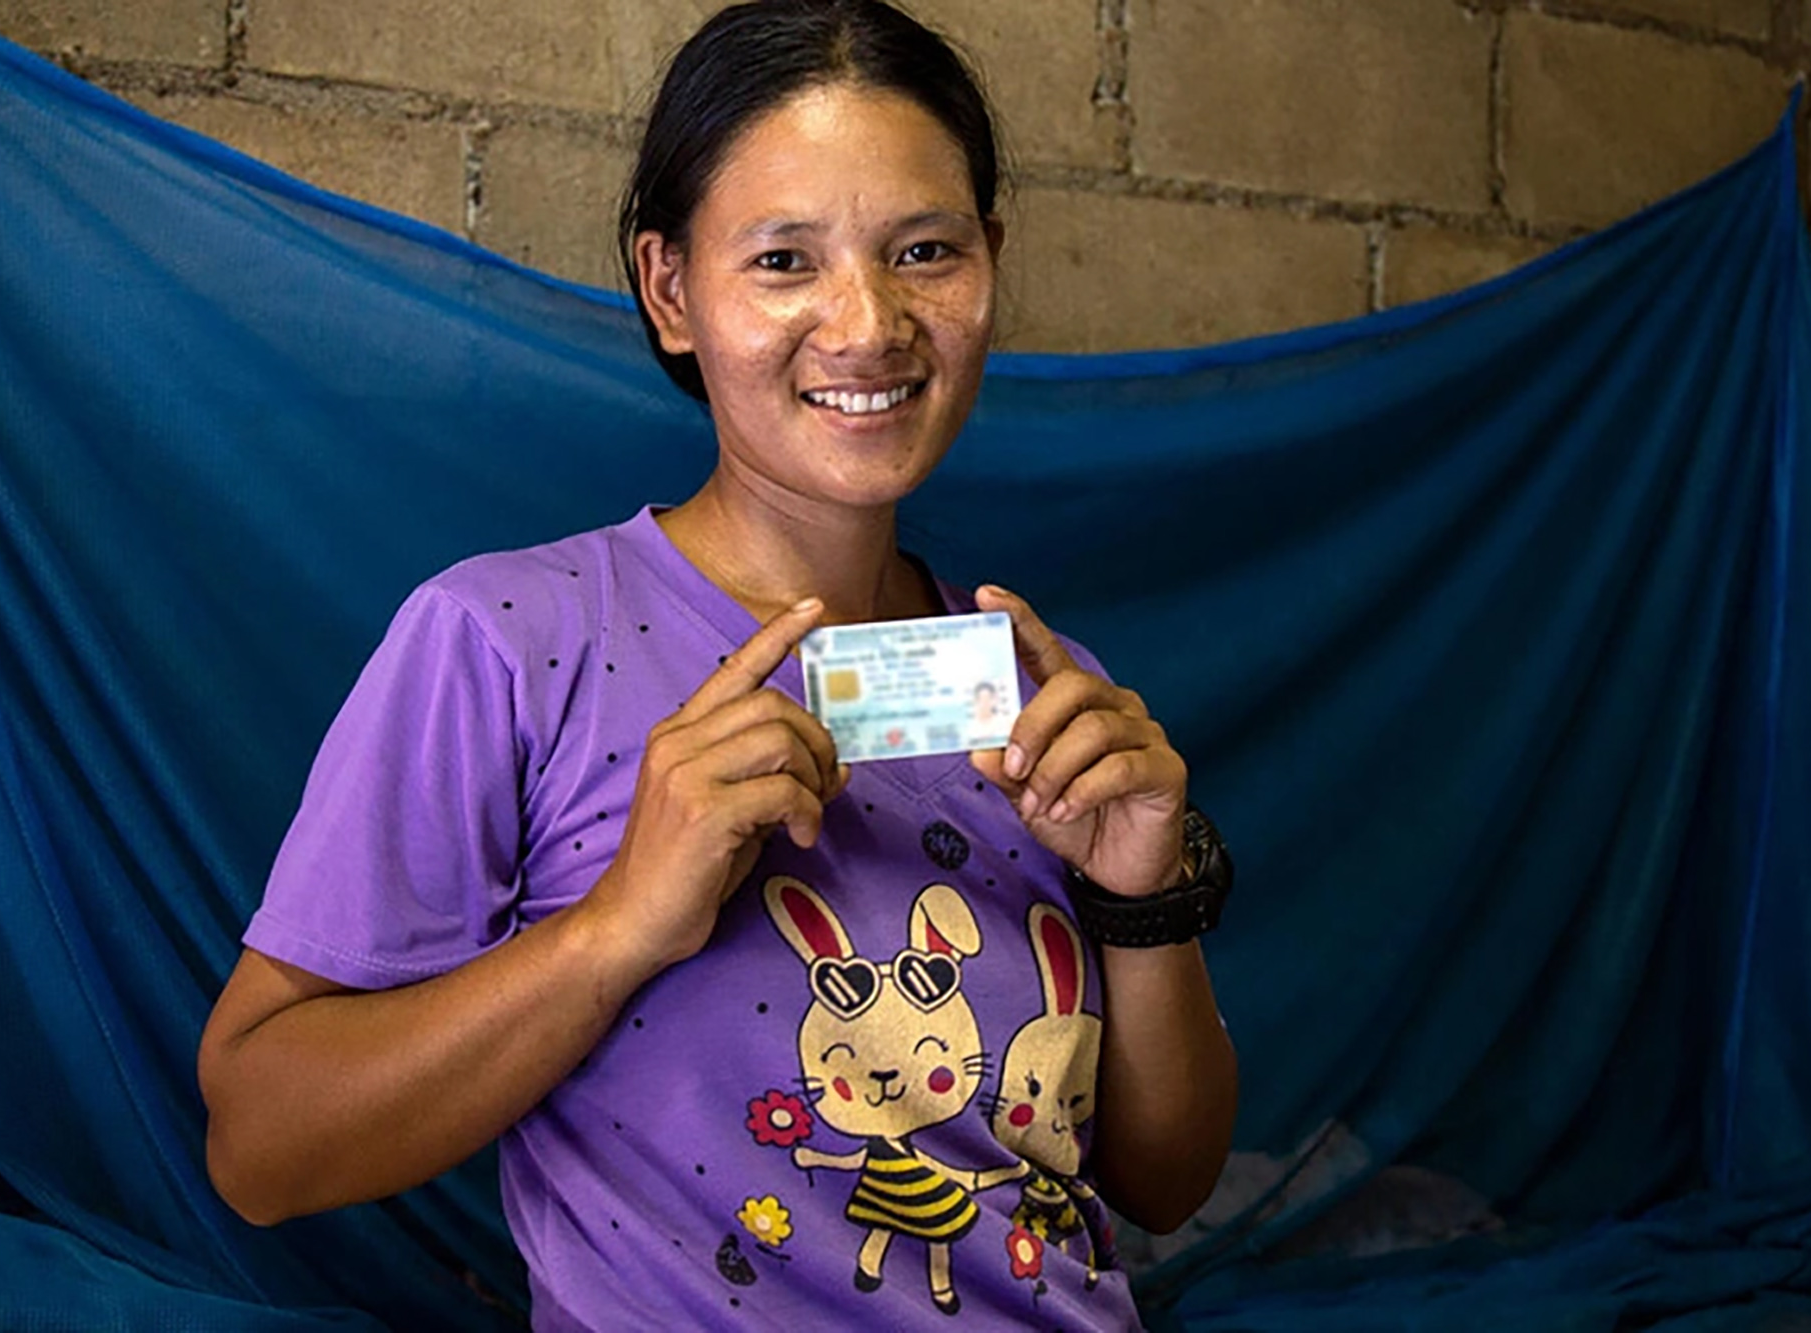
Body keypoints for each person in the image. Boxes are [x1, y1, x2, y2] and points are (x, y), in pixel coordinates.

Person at [197, 1, 1237, 1326]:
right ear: (671, 291)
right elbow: (261, 1146)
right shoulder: (510, 642)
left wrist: (1147, 904)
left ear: (990, 262)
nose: (869, 325)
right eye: (784, 260)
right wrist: (618, 923)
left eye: (925, 250)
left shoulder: (1039, 680)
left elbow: (1164, 1178)